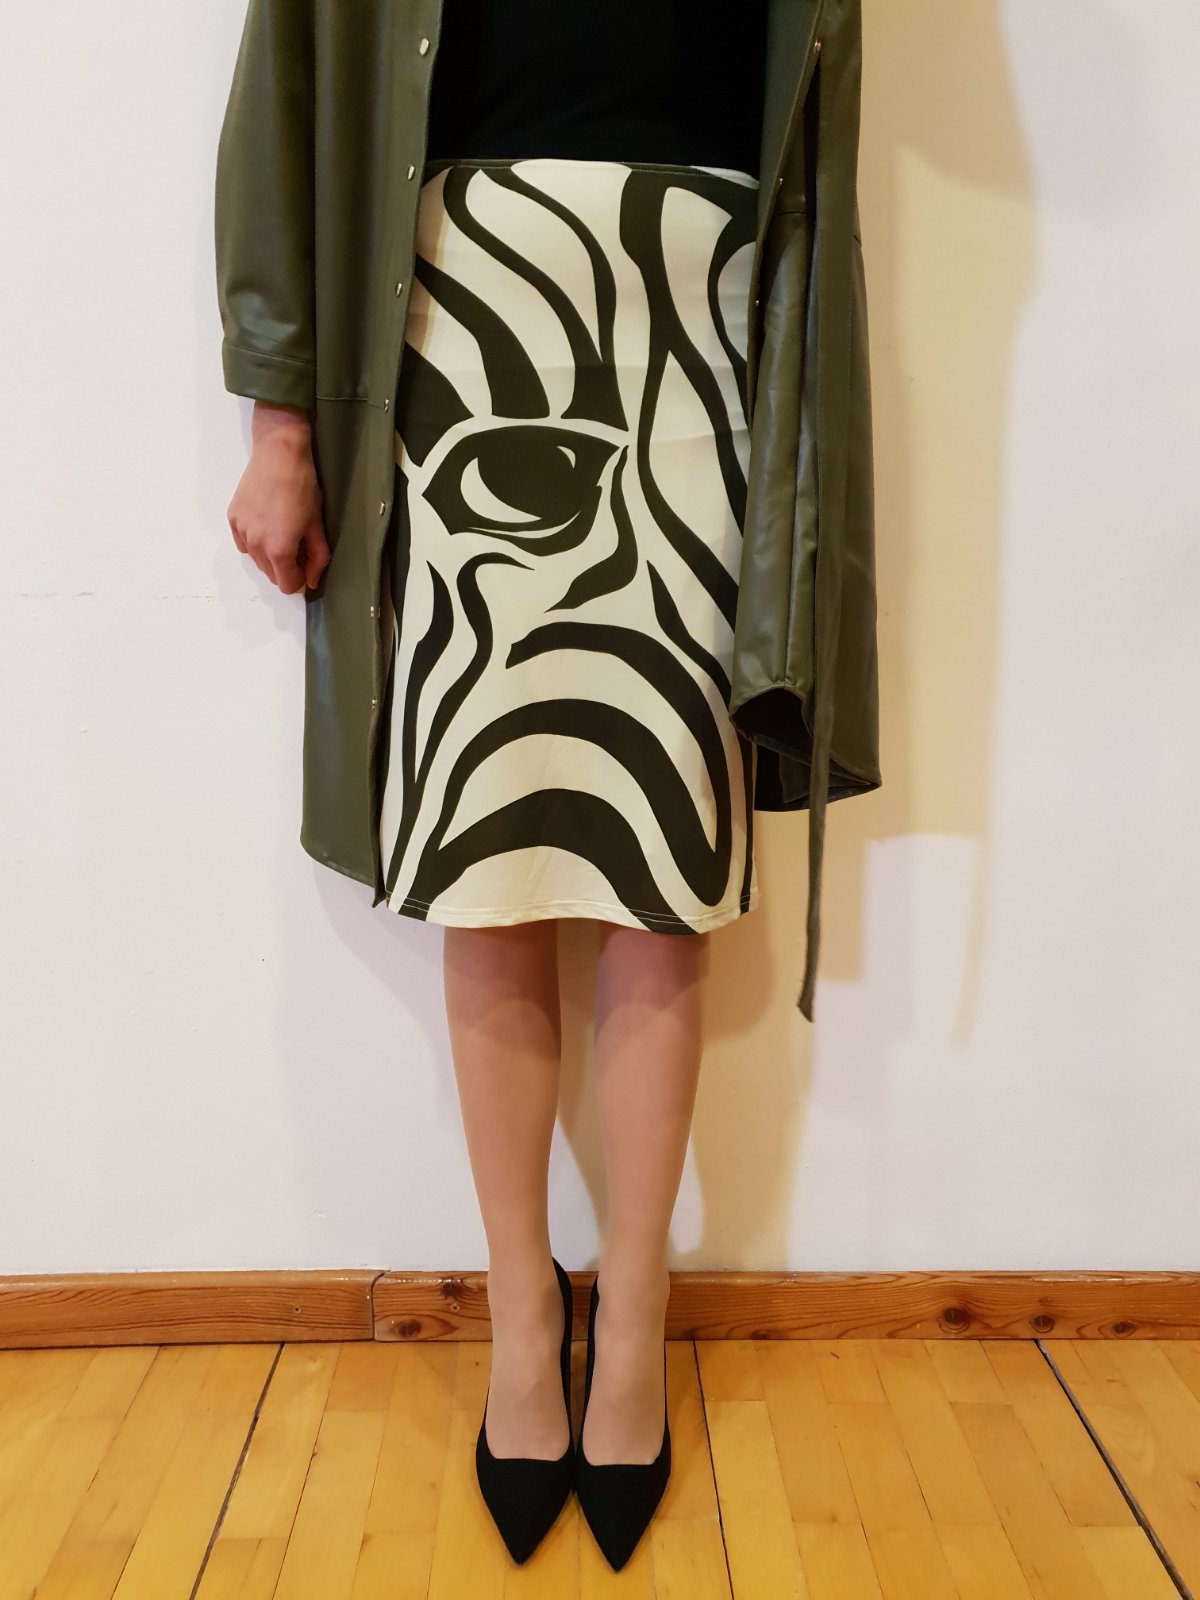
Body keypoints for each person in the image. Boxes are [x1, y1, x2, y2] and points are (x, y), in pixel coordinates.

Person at [217, 0, 877, 1573]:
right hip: (461, 310)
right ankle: (525, 1316)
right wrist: (280, 416)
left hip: (709, 321)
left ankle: (632, 1315)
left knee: (664, 855)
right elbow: (287, 84)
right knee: (488, 847)